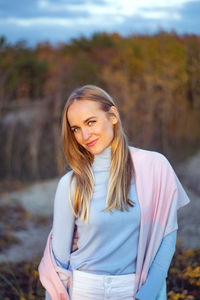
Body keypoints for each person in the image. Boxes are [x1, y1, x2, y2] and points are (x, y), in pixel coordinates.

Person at [38, 85, 190, 300]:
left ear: (113, 116)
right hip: (83, 290)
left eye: (91, 122)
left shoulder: (155, 166)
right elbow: (58, 264)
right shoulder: (70, 184)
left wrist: (146, 295)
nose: (85, 135)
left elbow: (167, 236)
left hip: (134, 289)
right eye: (76, 129)